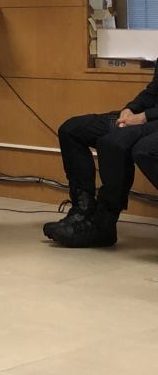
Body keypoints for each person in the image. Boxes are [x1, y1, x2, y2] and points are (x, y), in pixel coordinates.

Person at [44, 67, 158, 248]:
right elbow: (153, 90)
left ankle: (103, 223)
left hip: (151, 121)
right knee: (72, 129)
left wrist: (144, 117)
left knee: (114, 142)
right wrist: (130, 109)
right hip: (144, 117)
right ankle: (82, 212)